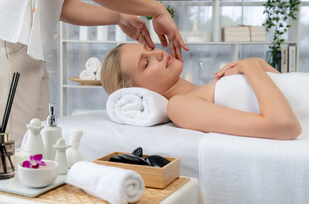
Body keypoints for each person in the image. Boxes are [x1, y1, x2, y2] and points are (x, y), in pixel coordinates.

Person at [0, 0, 189, 147]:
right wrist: (156, 9)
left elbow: (62, 6)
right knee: (12, 153)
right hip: (6, 36)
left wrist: (119, 16)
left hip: (26, 42)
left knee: (36, 147)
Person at [100, 43, 308, 140]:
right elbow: (285, 126)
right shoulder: (179, 106)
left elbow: (284, 87)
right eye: (146, 63)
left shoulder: (208, 88)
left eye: (151, 49)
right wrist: (250, 65)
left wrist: (257, 64)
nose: (159, 54)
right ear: (138, 90)